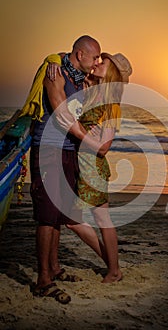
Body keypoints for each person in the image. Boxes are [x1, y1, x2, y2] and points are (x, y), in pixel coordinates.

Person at [21, 35, 101, 304]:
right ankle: (43, 280)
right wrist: (91, 141)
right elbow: (61, 112)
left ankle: (54, 268)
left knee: (59, 214)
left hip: (67, 151)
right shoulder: (55, 71)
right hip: (49, 150)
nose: (96, 62)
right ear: (79, 54)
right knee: (46, 216)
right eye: (94, 57)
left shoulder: (79, 78)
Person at [47, 52, 132, 283]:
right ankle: (112, 265)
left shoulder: (111, 105)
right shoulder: (90, 90)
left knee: (90, 220)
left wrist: (79, 133)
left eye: (103, 62)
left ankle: (113, 269)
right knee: (76, 220)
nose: (97, 63)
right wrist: (53, 59)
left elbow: (104, 148)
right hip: (80, 164)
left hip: (93, 167)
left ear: (111, 70)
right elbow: (66, 56)